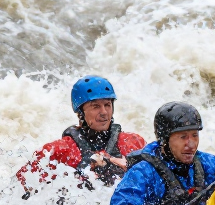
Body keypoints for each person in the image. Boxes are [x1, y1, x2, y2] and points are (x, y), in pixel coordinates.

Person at [17, 76, 145, 197]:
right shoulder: (58, 151)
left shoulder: (133, 143)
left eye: (107, 105)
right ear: (80, 113)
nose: (104, 112)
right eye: (96, 106)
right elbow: (19, 188)